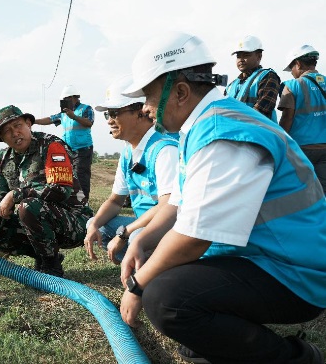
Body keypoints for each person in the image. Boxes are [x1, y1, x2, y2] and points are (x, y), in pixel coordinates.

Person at [117, 31, 326, 363]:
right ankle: (214, 339)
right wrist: (143, 240)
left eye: (149, 97)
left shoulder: (222, 135)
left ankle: (296, 358)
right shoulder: (201, 126)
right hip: (268, 257)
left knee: (166, 297)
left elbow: (194, 237)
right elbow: (177, 205)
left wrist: (137, 286)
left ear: (181, 92)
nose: (145, 109)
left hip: (297, 274)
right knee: (164, 264)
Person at [0, 105, 93, 277]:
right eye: (7, 131)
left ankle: (51, 267)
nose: (14, 133)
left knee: (28, 206)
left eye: (18, 126)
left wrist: (15, 194)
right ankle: (46, 255)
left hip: (75, 223)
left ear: (28, 124)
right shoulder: (2, 159)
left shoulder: (52, 145)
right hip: (39, 223)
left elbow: (61, 190)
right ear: (2, 138)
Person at [83, 77, 178, 264]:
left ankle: (150, 276)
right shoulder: (128, 152)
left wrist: (125, 233)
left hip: (169, 227)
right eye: (107, 114)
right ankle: (136, 263)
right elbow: (115, 201)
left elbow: (167, 207)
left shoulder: (165, 150)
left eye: (115, 113)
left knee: (137, 237)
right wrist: (94, 224)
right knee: (97, 225)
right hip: (143, 223)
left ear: (140, 113)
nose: (110, 121)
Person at [278, 45, 326, 195]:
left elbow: (287, 118)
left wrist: (280, 141)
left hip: (301, 149)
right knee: (323, 194)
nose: (292, 73)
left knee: (303, 195)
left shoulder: (292, 86)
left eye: (291, 67)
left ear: (298, 64)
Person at [34, 85, 94, 199]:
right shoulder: (64, 114)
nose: (64, 102)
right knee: (69, 176)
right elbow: (50, 119)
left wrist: (74, 116)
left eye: (65, 99)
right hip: (68, 150)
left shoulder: (86, 109)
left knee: (81, 176)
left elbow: (89, 122)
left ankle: (84, 202)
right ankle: (74, 200)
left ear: (72, 97)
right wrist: (33, 121)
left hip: (83, 150)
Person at [224, 35, 281, 121]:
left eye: (246, 55)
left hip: (259, 133)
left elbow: (262, 110)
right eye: (238, 56)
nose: (241, 59)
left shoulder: (268, 76)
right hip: (235, 132)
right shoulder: (230, 86)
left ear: (259, 56)